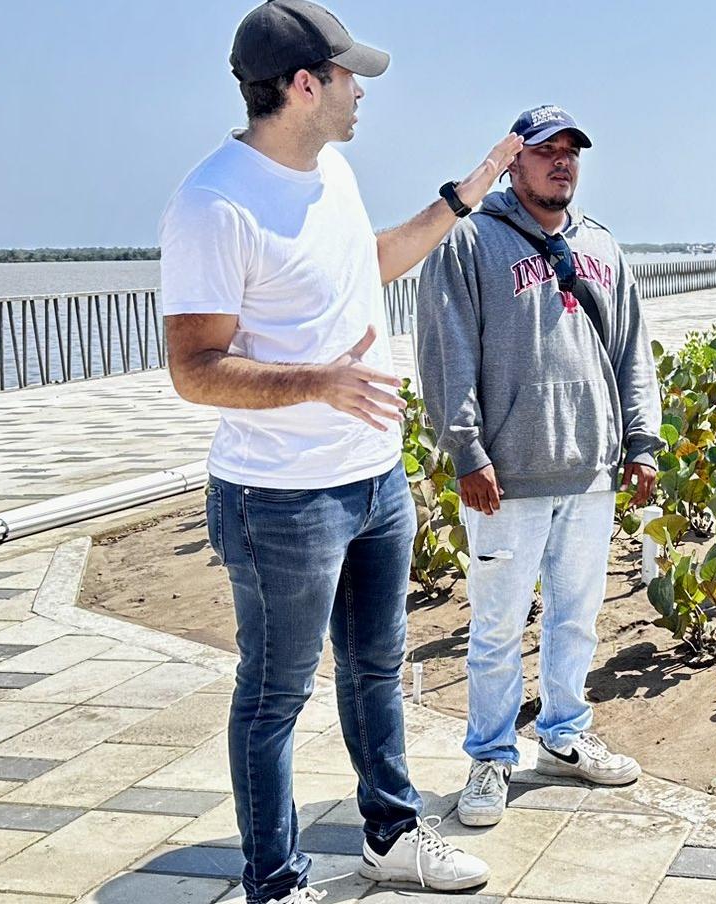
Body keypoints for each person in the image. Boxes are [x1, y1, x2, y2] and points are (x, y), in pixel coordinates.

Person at [158, 1, 524, 898]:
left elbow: (373, 264)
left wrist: (466, 192)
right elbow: (195, 370)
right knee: (275, 695)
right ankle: (274, 880)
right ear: (303, 84)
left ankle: (391, 835)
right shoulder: (212, 203)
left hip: (372, 480)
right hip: (278, 499)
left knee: (376, 667)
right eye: (349, 75)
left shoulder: (332, 175)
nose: (362, 92)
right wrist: (316, 382)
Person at [414, 105, 662, 829]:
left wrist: (641, 443)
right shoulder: (467, 243)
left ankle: (563, 736)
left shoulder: (605, 250)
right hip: (504, 478)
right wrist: (466, 449)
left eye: (571, 151)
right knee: (494, 627)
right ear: (514, 163)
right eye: (544, 150)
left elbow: (632, 356)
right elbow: (445, 351)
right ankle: (490, 756)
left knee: (577, 618)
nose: (561, 161)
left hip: (590, 473)